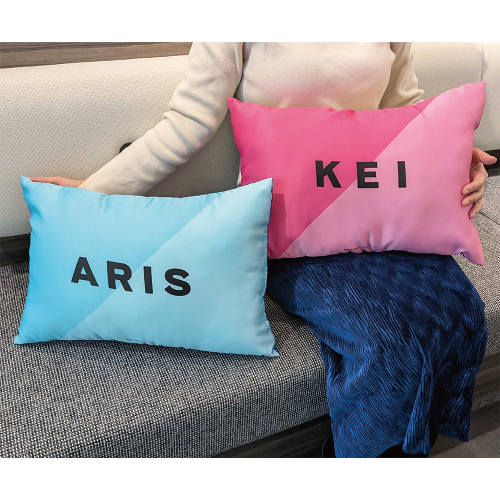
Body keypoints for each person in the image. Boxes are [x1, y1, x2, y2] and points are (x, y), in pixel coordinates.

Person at [29, 42, 496, 458]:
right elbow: (188, 122)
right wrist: (89, 196)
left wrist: (456, 161)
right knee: (388, 339)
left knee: (457, 311)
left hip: (381, 208)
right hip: (291, 230)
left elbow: (406, 110)